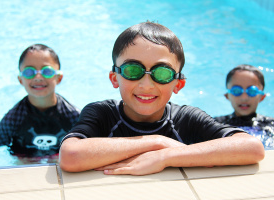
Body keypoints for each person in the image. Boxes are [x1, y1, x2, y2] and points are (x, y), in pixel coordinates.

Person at [59, 22, 264, 176]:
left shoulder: (186, 118)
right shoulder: (102, 113)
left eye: (162, 73)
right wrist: (157, 141)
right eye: (133, 70)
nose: (146, 84)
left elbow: (252, 148)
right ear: (115, 78)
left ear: (177, 84)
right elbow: (70, 156)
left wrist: (165, 156)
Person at [0, 44, 80, 168]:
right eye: (29, 72)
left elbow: (93, 143)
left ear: (58, 77)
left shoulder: (72, 116)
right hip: (24, 160)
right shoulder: (14, 119)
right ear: (21, 80)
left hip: (57, 159)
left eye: (47, 71)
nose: (38, 77)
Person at [214, 64, 274, 149]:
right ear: (227, 96)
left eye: (252, 91)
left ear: (262, 97)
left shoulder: (271, 124)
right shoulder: (216, 124)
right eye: (236, 91)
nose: (244, 98)